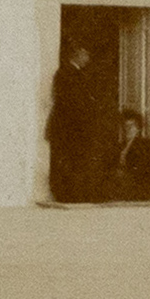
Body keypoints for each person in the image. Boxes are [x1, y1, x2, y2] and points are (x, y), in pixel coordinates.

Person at [46, 44, 97, 202]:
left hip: (72, 127)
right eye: (86, 55)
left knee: (73, 161)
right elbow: (69, 102)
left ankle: (72, 194)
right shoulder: (66, 73)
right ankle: (65, 195)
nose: (88, 59)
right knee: (67, 161)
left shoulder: (76, 73)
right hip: (68, 127)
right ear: (77, 55)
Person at [109, 109, 150, 202]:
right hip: (121, 191)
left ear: (138, 128)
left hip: (138, 191)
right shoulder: (120, 146)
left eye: (131, 126)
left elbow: (144, 169)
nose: (128, 129)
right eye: (125, 126)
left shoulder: (145, 145)